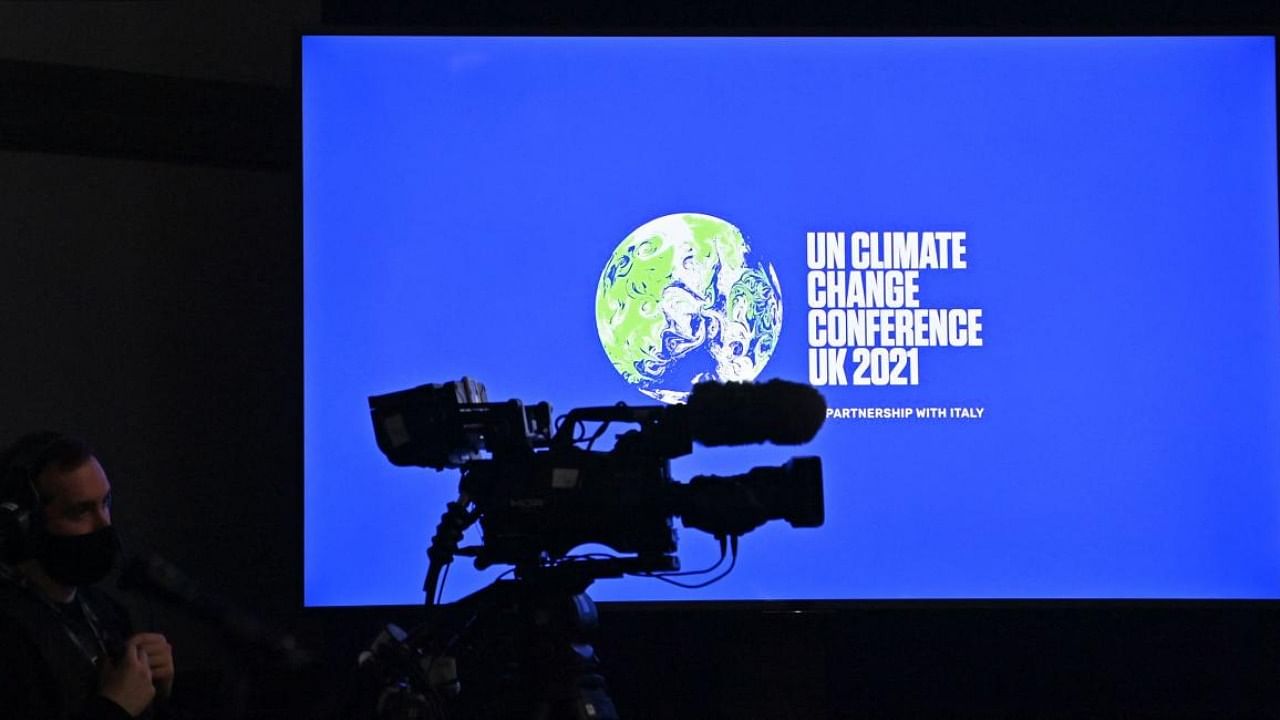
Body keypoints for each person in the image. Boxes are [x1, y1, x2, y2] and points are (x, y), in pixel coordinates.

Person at [0, 431, 175, 719]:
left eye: (105, 503)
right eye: (80, 512)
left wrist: (157, 695)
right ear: (26, 527)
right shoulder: (9, 633)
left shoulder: (108, 613)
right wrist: (114, 709)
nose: (104, 524)